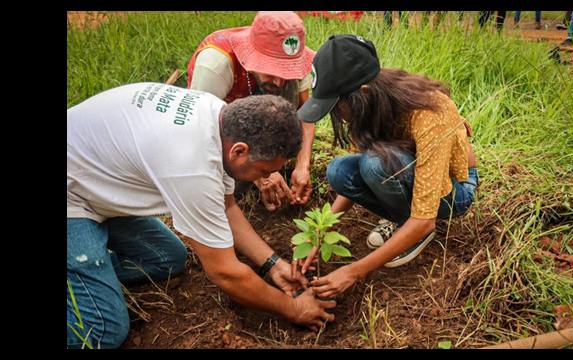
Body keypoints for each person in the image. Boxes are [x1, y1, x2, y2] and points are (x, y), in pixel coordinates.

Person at [67, 83, 335, 348]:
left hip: (94, 182)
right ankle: (85, 280)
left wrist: (273, 265)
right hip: (73, 199)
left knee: (167, 260)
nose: (267, 179)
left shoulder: (222, 119)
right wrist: (294, 309)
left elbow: (226, 207)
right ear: (239, 151)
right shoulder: (191, 166)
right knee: (103, 331)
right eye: (264, 171)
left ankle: (87, 279)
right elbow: (225, 272)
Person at [294, 35, 479, 298]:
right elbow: (349, 184)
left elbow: (424, 219)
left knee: (376, 165)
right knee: (339, 171)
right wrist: (321, 233)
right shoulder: (371, 103)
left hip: (455, 190)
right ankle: (401, 219)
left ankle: (407, 228)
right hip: (410, 172)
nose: (338, 116)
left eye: (337, 106)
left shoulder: (430, 113)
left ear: (362, 93)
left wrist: (354, 271)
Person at [187, 11, 316, 211]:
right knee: (225, 183)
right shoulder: (217, 63)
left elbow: (306, 114)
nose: (280, 82)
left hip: (255, 126)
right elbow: (198, 128)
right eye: (273, 71)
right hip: (221, 127)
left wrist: (302, 166)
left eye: (287, 71)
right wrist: (263, 174)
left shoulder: (291, 56)